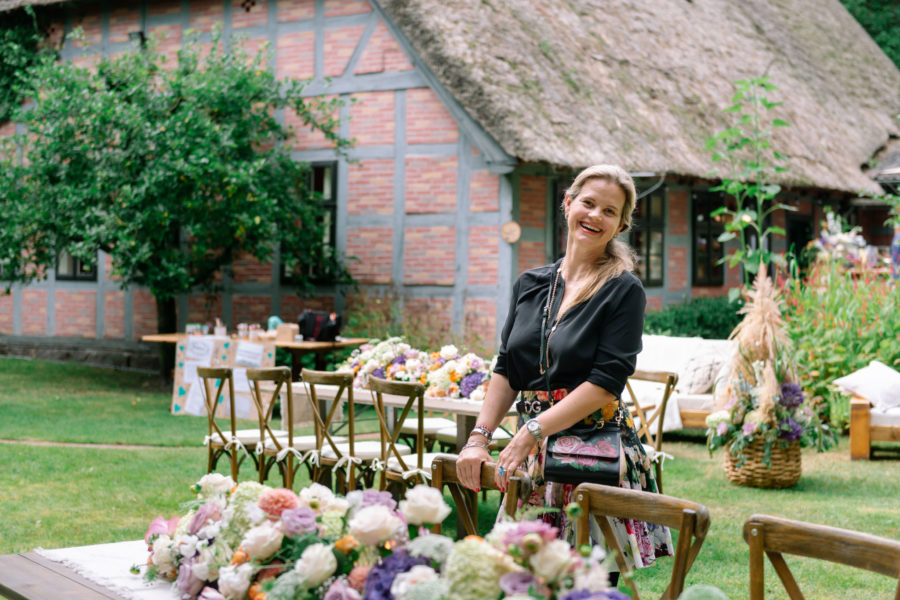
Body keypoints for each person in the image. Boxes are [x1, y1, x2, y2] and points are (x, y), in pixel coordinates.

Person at [456, 164, 673, 572]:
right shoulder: (530, 283)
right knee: (521, 578)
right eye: (588, 203)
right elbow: (506, 368)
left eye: (609, 211)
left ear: (621, 225)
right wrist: (478, 438)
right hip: (532, 457)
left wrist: (530, 432)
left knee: (587, 585)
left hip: (593, 454)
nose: (595, 216)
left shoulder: (623, 289)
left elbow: (606, 383)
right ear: (568, 203)